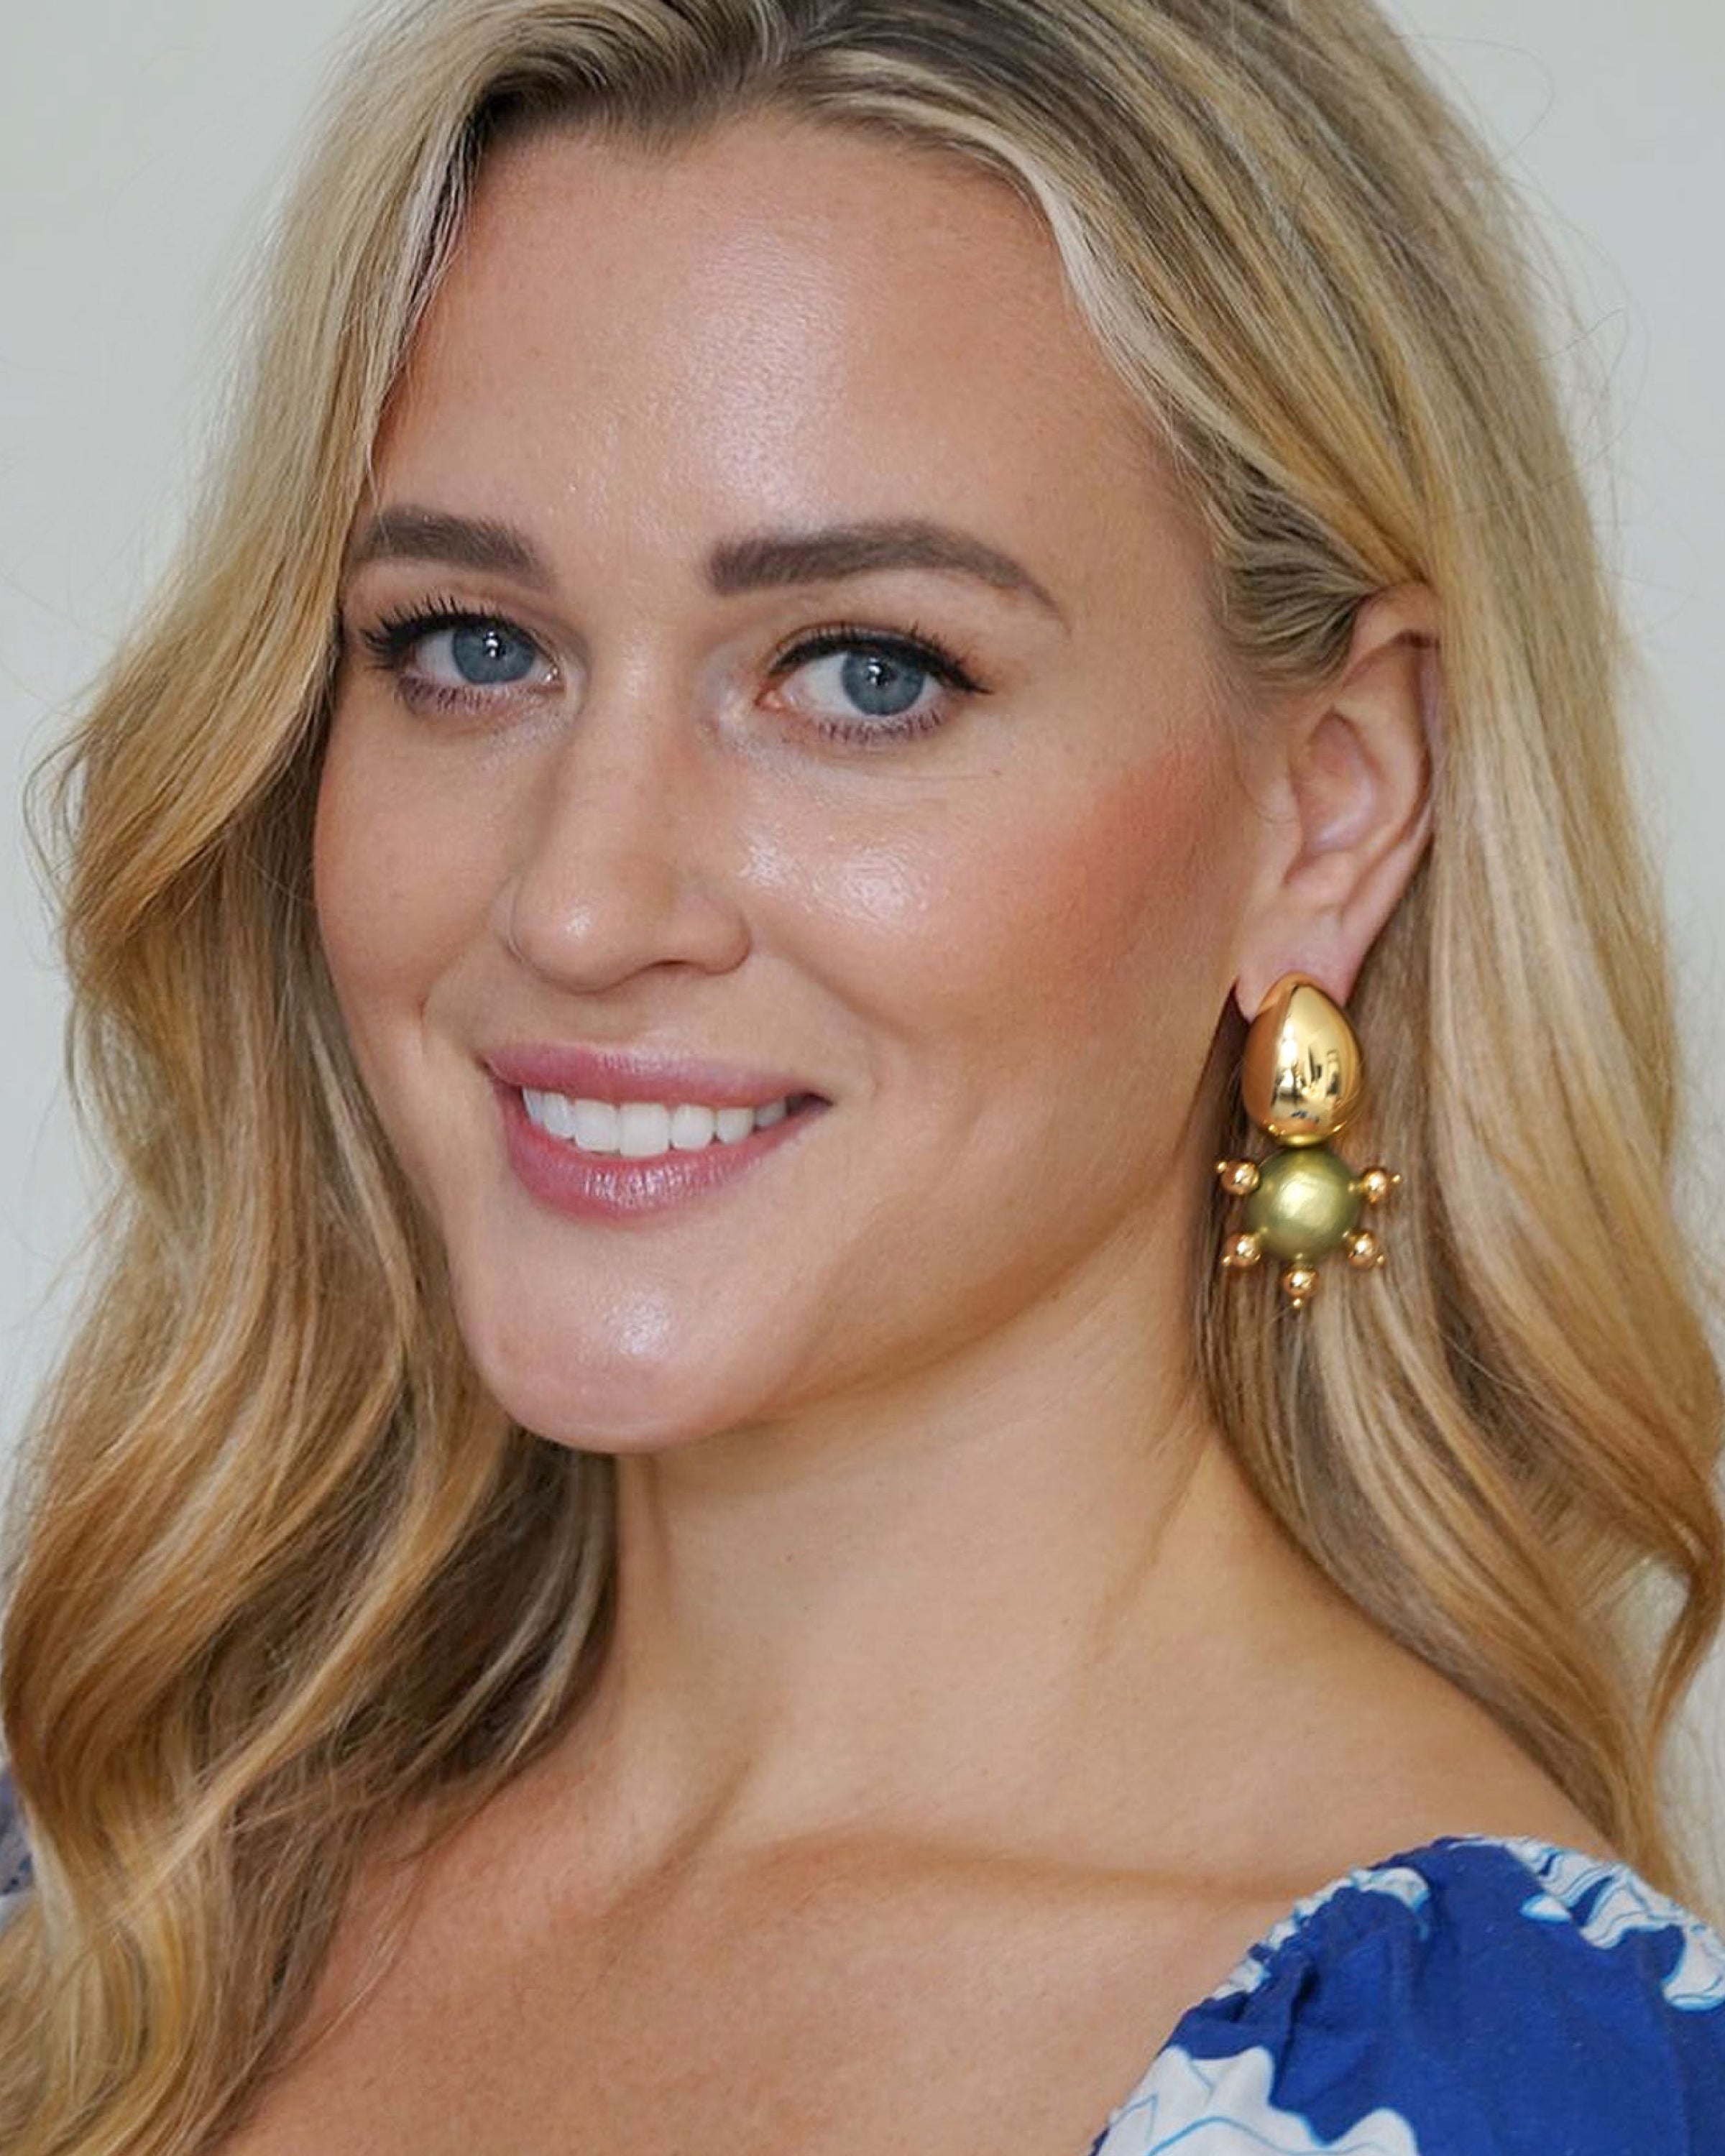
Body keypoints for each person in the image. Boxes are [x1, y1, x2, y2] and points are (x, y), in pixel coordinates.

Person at [1, 0, 1722, 2148]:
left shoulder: (1488, 2087)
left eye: (866, 673)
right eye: (471, 644)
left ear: (1328, 811)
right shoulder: (110, 1873)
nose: (580, 902)